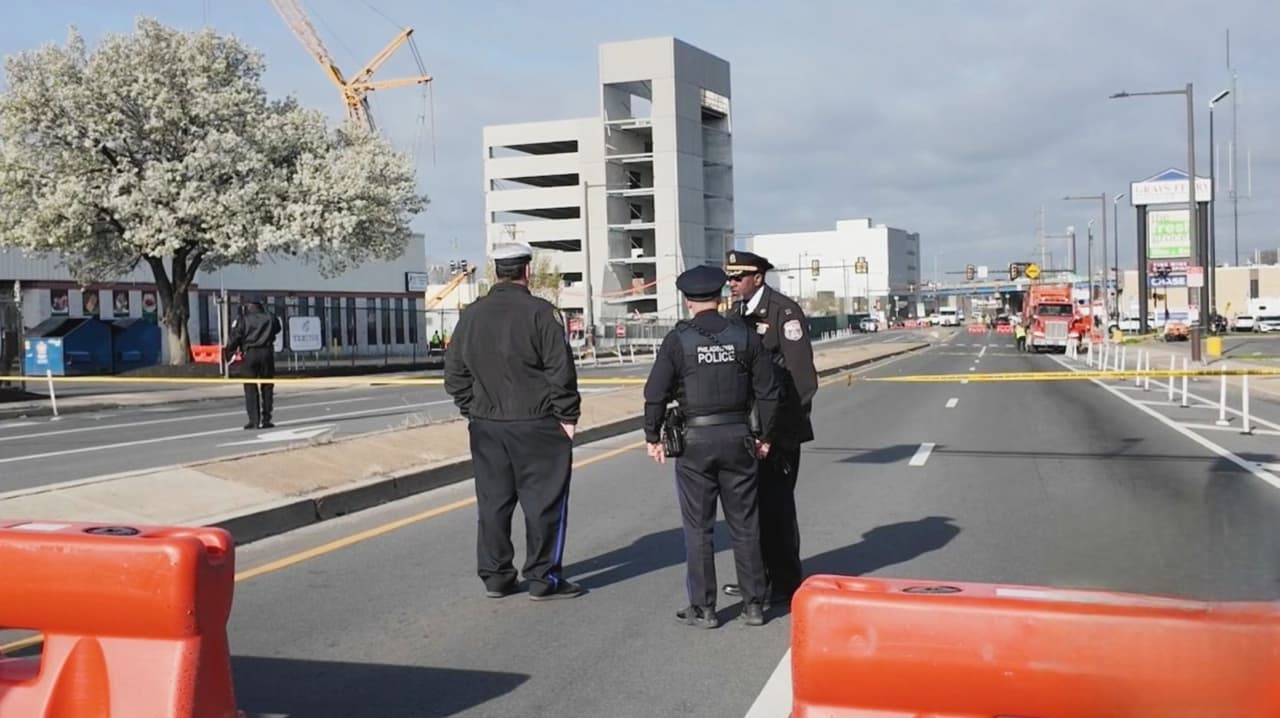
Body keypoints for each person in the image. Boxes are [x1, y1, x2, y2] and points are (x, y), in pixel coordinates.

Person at [444, 243, 586, 602]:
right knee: (544, 503)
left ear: (496, 272)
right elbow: (560, 371)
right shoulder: (542, 313)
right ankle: (542, 578)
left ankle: (496, 576)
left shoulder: (471, 315)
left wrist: (472, 409)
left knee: (493, 502)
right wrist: (567, 416)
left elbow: (454, 373)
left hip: (487, 424)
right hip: (537, 422)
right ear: (527, 271)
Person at [643, 264, 779, 628]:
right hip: (738, 438)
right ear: (719, 297)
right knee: (745, 524)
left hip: (694, 443)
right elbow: (768, 390)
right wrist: (765, 436)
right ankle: (754, 604)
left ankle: (704, 608)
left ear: (687, 301)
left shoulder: (678, 340)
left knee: (698, 528)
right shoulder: (745, 335)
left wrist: (652, 436)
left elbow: (655, 393)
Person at [721, 250, 817, 606]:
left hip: (777, 429)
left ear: (758, 277)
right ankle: (755, 578)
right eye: (729, 278)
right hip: (746, 425)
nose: (732, 283)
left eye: (738, 278)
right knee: (750, 505)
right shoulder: (735, 313)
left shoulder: (783, 312)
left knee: (777, 506)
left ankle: (786, 580)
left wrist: (775, 432)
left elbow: (802, 379)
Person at [222, 296, 282, 430]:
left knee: (250, 387)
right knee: (267, 386)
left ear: (249, 305)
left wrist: (229, 353)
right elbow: (278, 328)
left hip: (249, 354)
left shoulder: (243, 319)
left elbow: (235, 337)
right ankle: (267, 419)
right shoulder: (270, 317)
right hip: (267, 353)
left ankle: (254, 420)